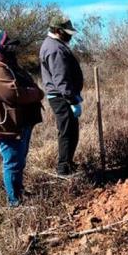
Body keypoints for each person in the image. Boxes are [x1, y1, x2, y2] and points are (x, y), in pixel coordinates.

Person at [0, 30, 44, 207]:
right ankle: (15, 202)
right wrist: (36, 93)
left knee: (20, 159)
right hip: (7, 125)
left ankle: (19, 191)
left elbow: (27, 84)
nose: (11, 49)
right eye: (8, 45)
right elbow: (13, 94)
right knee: (13, 162)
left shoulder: (9, 64)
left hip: (21, 121)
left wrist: (33, 91)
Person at [40, 16, 84, 176]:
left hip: (63, 96)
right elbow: (61, 79)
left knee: (72, 131)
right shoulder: (54, 49)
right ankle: (63, 170)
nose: (71, 36)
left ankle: (69, 164)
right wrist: (72, 100)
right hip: (61, 98)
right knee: (66, 133)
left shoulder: (56, 44)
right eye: (67, 32)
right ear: (58, 31)